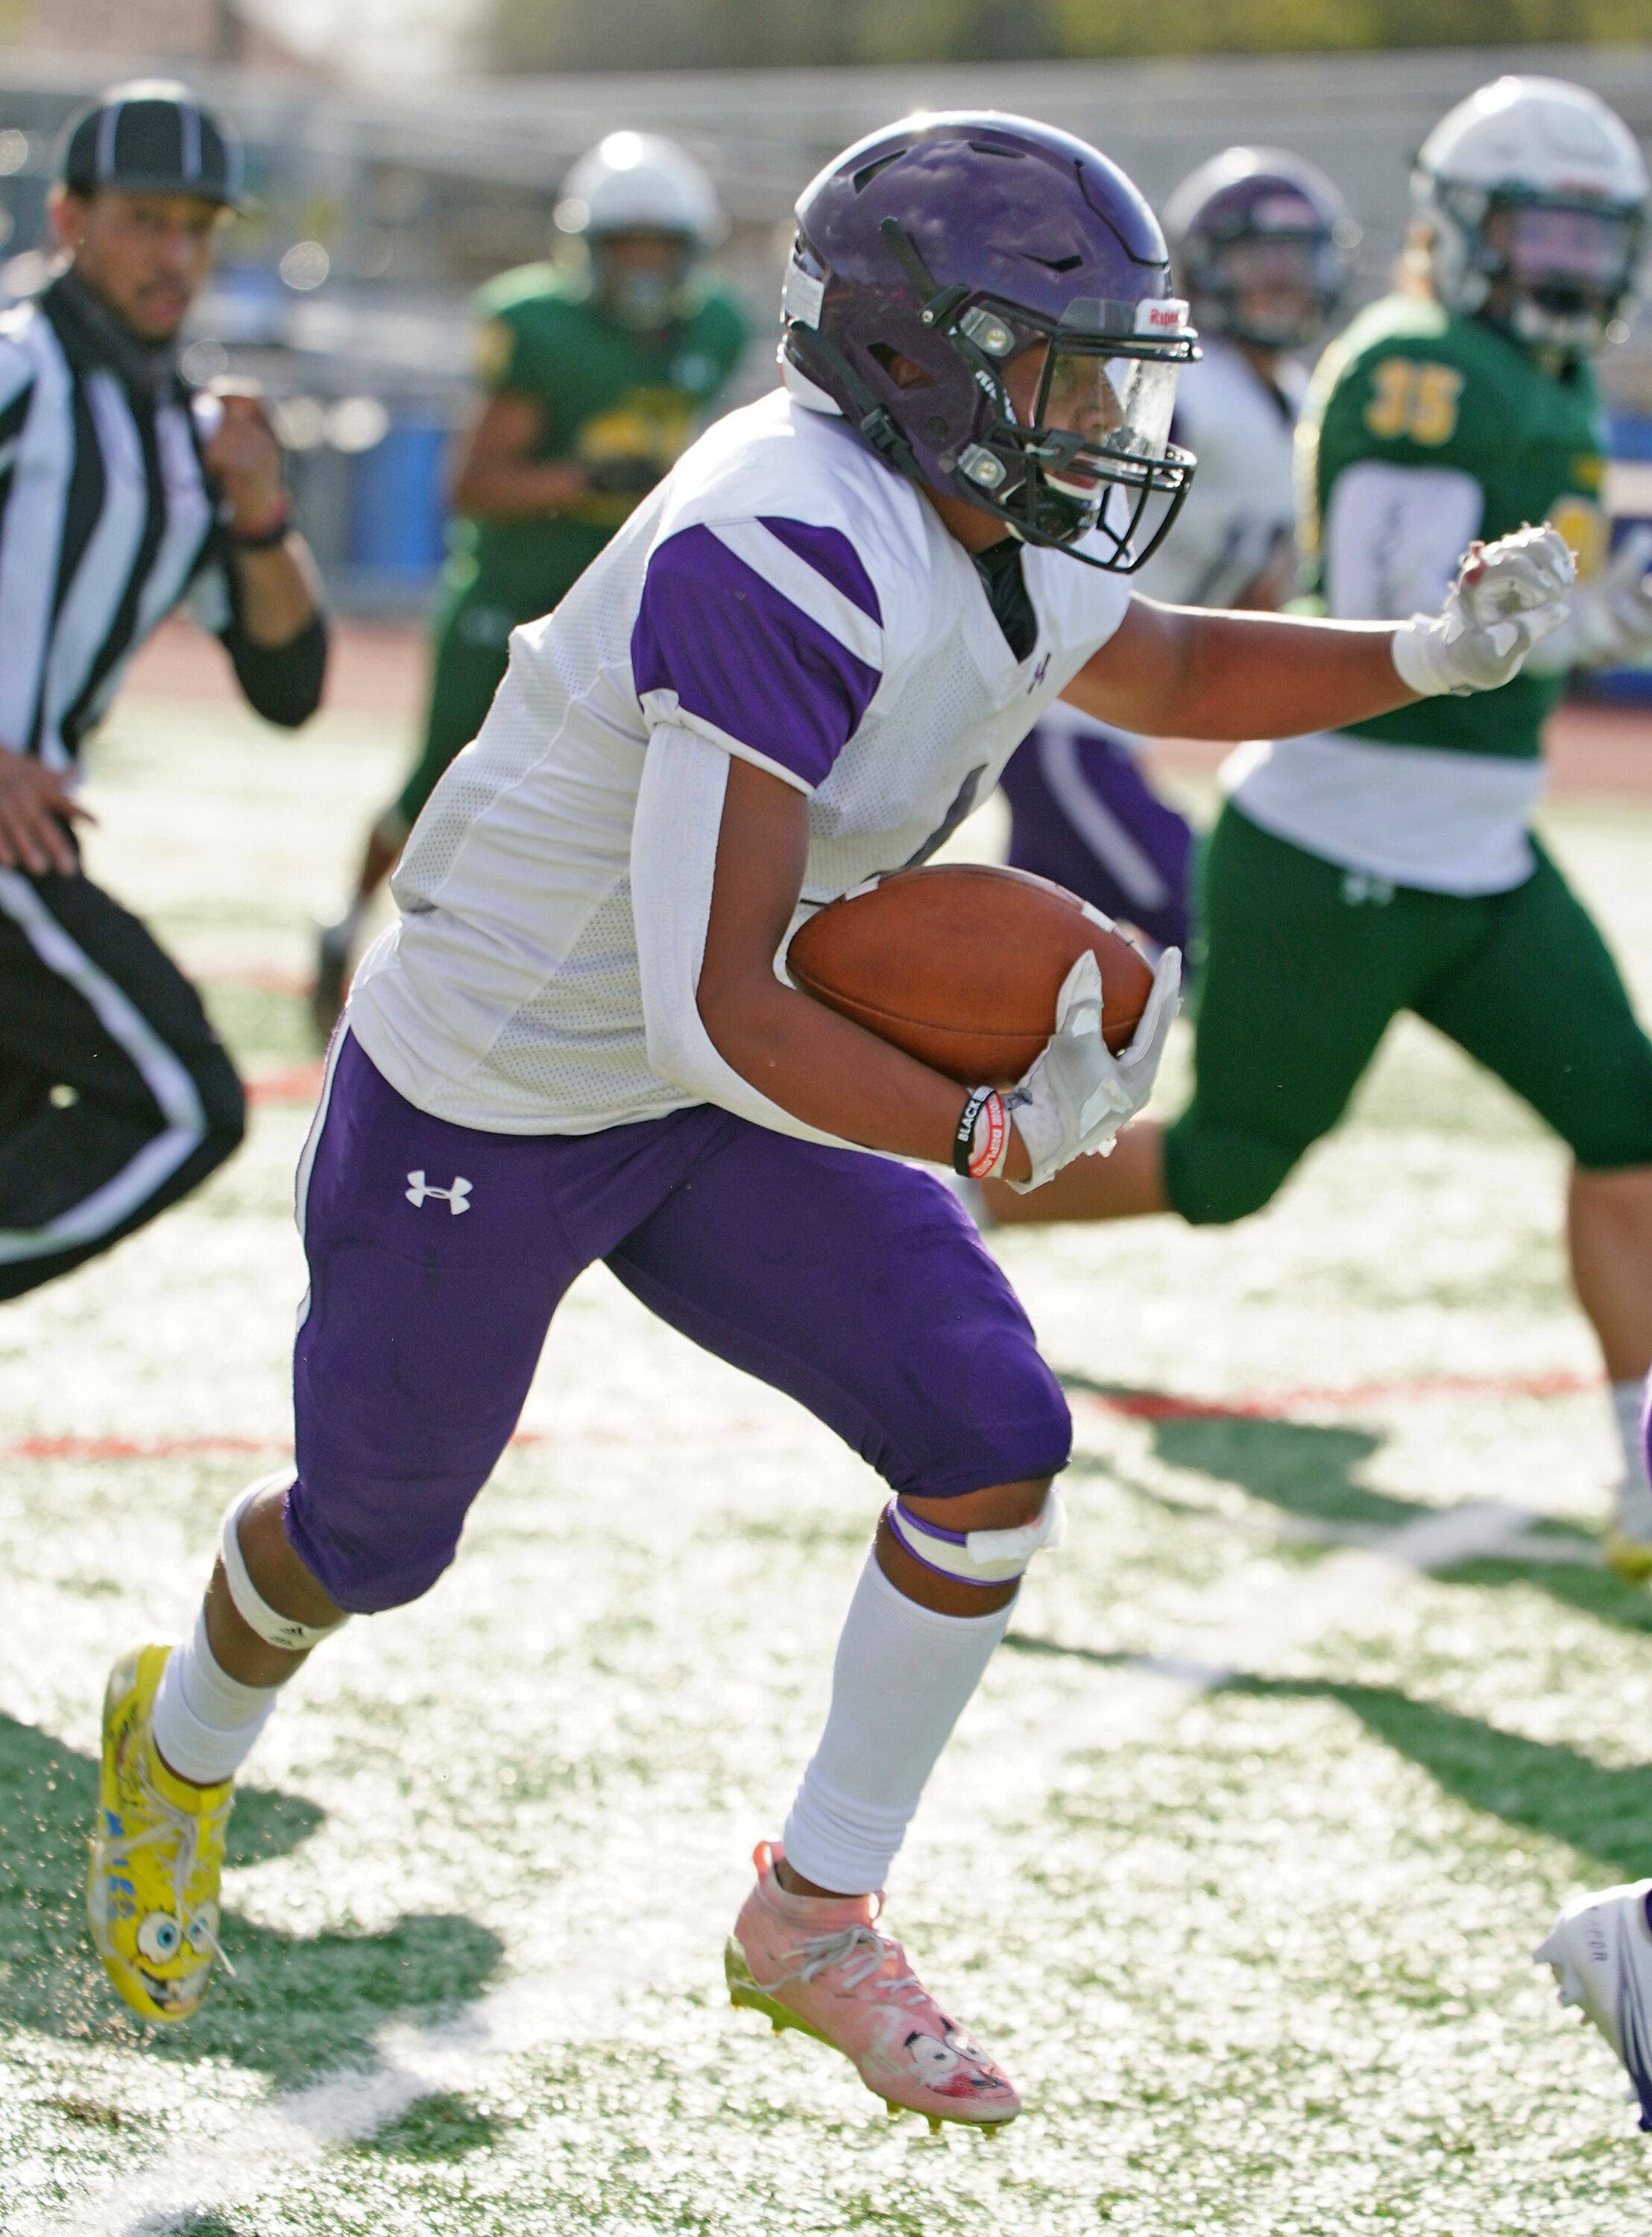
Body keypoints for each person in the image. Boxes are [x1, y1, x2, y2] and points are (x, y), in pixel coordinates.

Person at [86, 112, 1569, 2128]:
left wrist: (1433, 652)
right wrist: (973, 1136)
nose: (1105, 413)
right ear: (918, 359)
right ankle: (175, 1744)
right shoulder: (778, 532)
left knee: (991, 1438)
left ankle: (815, 1909)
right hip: (507, 1079)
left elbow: (1179, 660)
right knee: (374, 1538)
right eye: (1063, 364)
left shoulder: (985, 520)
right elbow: (720, 1005)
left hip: (723, 1056)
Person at [986, 77, 1652, 1586]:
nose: (1563, 260)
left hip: (1480, 852)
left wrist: (1592, 616)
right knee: (1228, 1171)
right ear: (1465, 230)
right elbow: (1413, 623)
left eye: (1587, 231)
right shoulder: (1421, 365)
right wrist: (1574, 626)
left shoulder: (1538, 379)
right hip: (1338, 853)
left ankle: (1641, 1460)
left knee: (1632, 1119)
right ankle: (942, 1198)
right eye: (1537, 226)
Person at [0, 81, 327, 1302]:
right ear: (70, 217)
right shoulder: (20, 370)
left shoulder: (183, 438)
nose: (175, 255)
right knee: (183, 1099)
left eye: (198, 227)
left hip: (31, 848)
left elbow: (289, 684)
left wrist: (261, 512)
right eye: (146, 220)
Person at [311, 132, 748, 1033]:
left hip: (619, 608)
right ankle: (345, 925)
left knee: (616, 794)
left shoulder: (715, 327)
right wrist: (588, 484)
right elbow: (470, 486)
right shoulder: (540, 328)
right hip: (509, 594)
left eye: (659, 249)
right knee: (438, 783)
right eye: (624, 247)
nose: (642, 269)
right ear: (587, 250)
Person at [997, 147, 1356, 955]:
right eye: (1258, 262)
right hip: (1060, 719)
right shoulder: (1182, 390)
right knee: (1213, 937)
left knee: (1028, 982)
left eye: (1296, 264)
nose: (1280, 285)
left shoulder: (1303, 398)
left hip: (1110, 721)